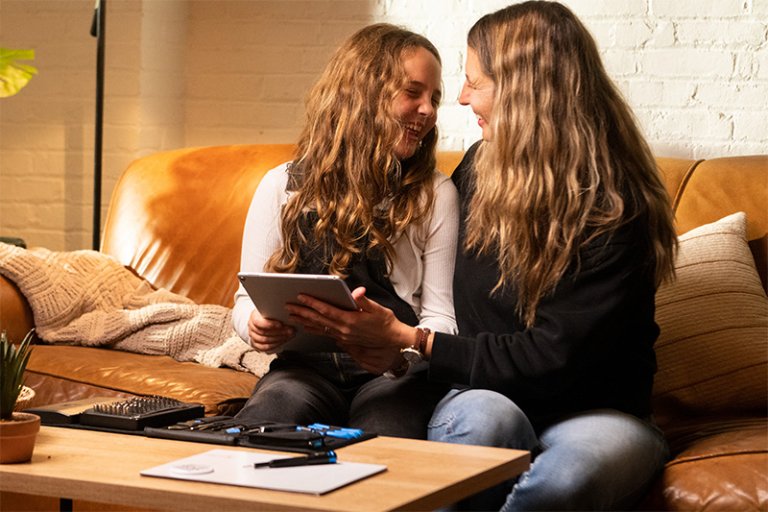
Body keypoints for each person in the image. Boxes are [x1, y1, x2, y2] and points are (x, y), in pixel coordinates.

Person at [288, 2, 678, 510]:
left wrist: (415, 341)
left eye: (477, 82)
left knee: (563, 482)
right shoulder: (477, 168)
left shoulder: (615, 205)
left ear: (525, 90)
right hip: (486, 395)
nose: (464, 97)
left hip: (596, 411)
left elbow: (553, 358)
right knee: (484, 420)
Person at [232, 23, 459, 440]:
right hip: (303, 371)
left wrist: (400, 349)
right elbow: (245, 298)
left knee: (386, 436)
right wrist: (254, 325)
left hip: (396, 375)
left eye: (435, 99)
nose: (428, 110)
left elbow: (443, 317)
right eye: (413, 93)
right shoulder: (281, 185)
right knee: (261, 425)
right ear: (364, 94)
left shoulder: (435, 194)